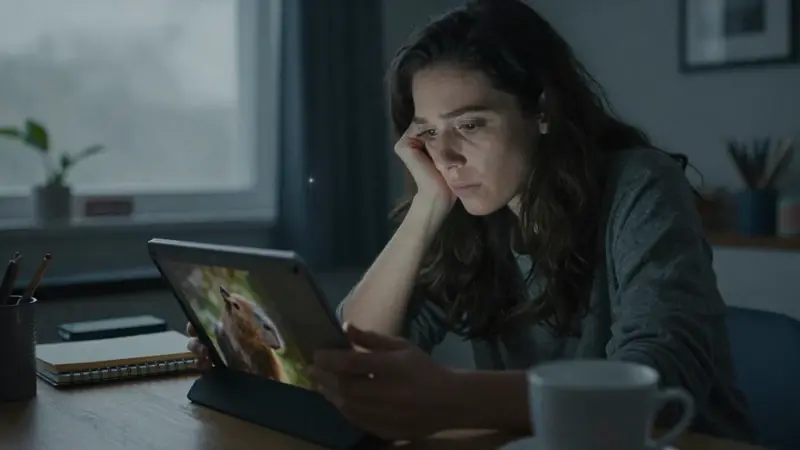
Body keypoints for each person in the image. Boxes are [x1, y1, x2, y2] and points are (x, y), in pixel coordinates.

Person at [187, 0, 754, 443]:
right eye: (429, 133)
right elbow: (361, 356)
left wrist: (454, 397)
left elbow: (657, 382)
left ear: (543, 112)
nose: (448, 156)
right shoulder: (470, 210)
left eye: (472, 125)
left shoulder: (642, 186)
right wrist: (429, 205)